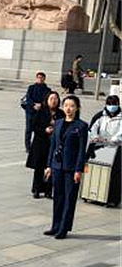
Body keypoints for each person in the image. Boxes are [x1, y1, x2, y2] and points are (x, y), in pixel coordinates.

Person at [45, 95, 88, 239]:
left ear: (77, 108)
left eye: (72, 106)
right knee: (58, 196)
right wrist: (49, 165)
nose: (68, 108)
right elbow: (53, 145)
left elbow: (82, 150)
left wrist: (78, 169)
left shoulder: (81, 126)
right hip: (57, 166)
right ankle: (55, 226)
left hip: (71, 168)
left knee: (69, 198)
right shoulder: (58, 123)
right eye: (66, 105)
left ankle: (64, 228)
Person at [26, 91, 63, 199]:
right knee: (39, 168)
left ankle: (48, 190)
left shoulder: (61, 113)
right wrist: (44, 130)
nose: (53, 101)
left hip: (54, 144)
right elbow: (34, 126)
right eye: (51, 98)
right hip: (40, 143)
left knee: (51, 167)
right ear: (47, 100)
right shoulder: (41, 111)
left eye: (56, 99)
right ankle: (37, 189)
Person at [88, 95, 122, 207]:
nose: (112, 106)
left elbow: (120, 134)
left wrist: (111, 140)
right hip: (100, 147)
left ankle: (113, 199)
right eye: (110, 104)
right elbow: (92, 129)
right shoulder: (100, 116)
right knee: (98, 170)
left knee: (115, 175)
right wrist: (96, 137)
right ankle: (96, 195)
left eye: (114, 104)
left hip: (117, 148)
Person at [23, 72, 51, 153]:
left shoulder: (47, 90)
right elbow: (28, 97)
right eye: (38, 77)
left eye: (41, 77)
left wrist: (41, 105)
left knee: (39, 130)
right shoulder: (31, 87)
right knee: (29, 129)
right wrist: (34, 104)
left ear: (44, 79)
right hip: (31, 111)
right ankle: (28, 147)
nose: (40, 79)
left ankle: (37, 146)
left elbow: (47, 100)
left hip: (41, 112)